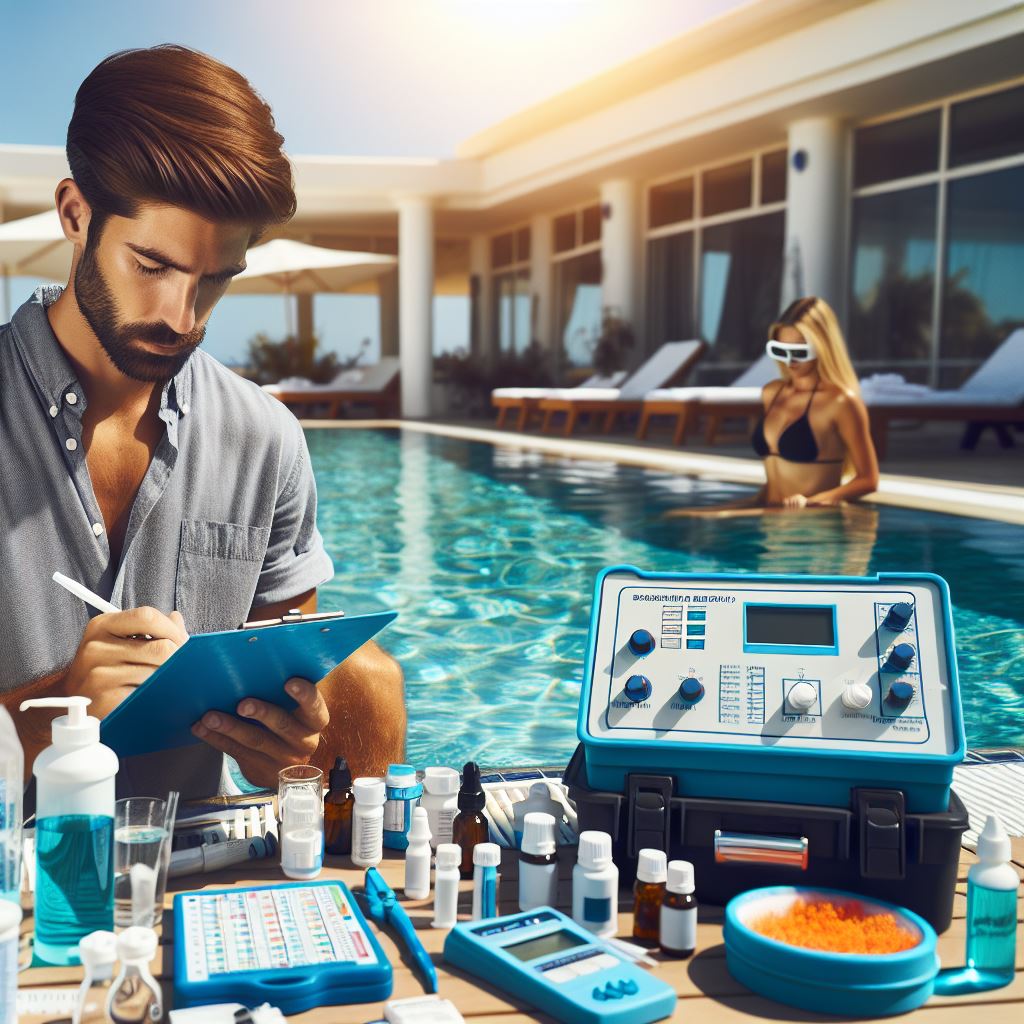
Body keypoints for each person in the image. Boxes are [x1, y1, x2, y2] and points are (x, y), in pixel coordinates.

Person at [0, 46, 405, 795]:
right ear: (75, 214)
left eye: (215, 280)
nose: (180, 318)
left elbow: (301, 711)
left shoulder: (265, 439)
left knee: (375, 679)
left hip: (198, 870)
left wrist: (293, 753)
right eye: (151, 266)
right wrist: (51, 718)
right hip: (14, 884)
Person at [669, 297, 879, 516]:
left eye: (799, 352)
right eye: (780, 350)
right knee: (683, 516)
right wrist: (722, 509)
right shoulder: (772, 393)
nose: (790, 362)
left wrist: (812, 501)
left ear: (822, 348)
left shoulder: (840, 402)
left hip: (812, 524)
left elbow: (868, 480)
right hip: (771, 520)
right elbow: (775, 475)